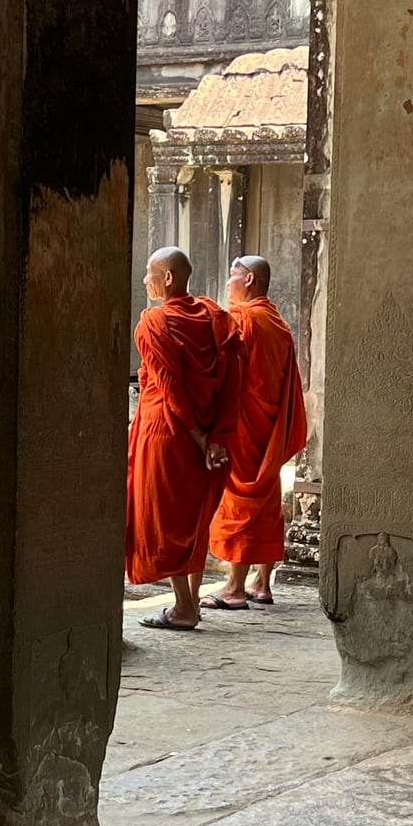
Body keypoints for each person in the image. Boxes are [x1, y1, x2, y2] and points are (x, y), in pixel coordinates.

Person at [126, 247, 243, 630]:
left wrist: (198, 437)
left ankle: (183, 608)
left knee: (164, 521)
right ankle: (190, 599)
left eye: (150, 273)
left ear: (168, 278)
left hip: (168, 432)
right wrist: (217, 437)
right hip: (207, 430)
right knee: (193, 517)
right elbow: (233, 383)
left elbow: (169, 386)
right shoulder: (216, 317)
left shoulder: (154, 322)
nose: (145, 280)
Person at [199, 255, 307, 611]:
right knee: (265, 495)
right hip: (269, 423)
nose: (228, 282)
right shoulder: (278, 323)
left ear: (249, 280)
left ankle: (234, 587)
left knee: (239, 497)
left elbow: (225, 370)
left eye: (233, 275)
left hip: (244, 422)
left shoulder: (244, 318)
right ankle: (262, 582)